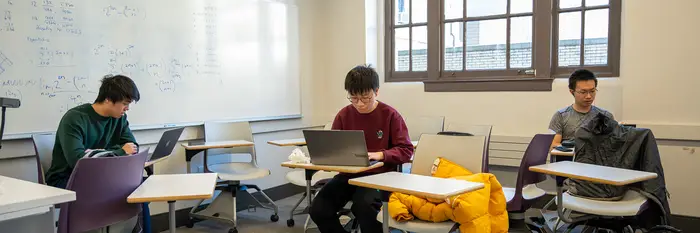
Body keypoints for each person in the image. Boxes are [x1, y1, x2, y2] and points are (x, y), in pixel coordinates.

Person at [308, 65, 414, 233]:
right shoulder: (344, 115)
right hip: (347, 176)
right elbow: (333, 146)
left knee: (364, 207)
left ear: (376, 91)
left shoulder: (390, 115)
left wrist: (380, 155)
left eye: (365, 97)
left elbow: (407, 150)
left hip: (378, 177)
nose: (359, 103)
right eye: (354, 98)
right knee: (319, 209)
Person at [45, 74, 141, 189]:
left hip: (102, 175)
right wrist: (119, 152)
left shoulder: (120, 118)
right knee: (121, 191)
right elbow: (78, 161)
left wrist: (105, 153)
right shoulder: (75, 118)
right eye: (125, 103)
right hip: (67, 179)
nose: (127, 108)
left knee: (138, 188)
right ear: (108, 99)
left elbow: (132, 147)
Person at [548, 69, 614, 148]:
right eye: (583, 92)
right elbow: (553, 145)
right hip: (569, 159)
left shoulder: (605, 116)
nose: (589, 96)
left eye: (592, 91)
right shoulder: (560, 116)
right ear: (572, 92)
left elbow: (612, 144)